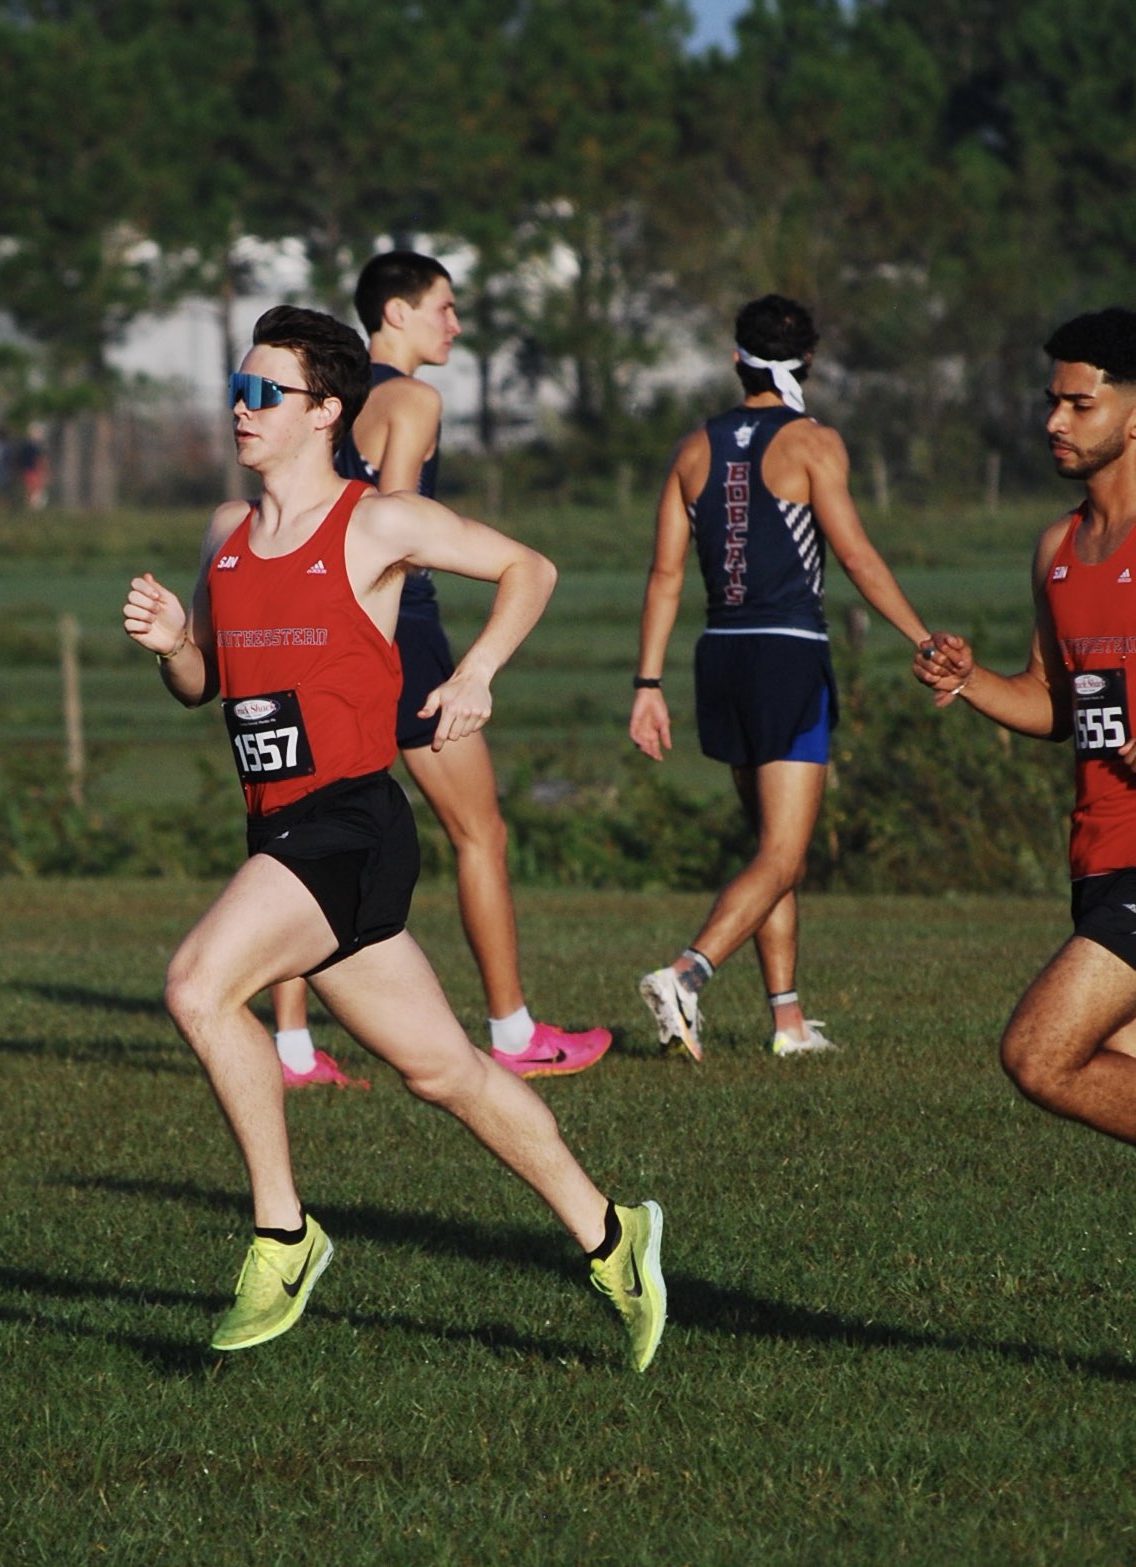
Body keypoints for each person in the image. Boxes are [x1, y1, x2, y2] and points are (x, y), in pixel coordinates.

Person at [120, 305, 665, 1368]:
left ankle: (284, 1232)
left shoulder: (372, 525)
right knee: (445, 1071)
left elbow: (530, 569)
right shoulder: (223, 533)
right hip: (279, 830)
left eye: (264, 393)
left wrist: (472, 674)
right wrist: (172, 643)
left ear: (324, 411)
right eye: (237, 387)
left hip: (351, 825)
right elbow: (203, 688)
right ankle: (613, 1236)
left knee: (196, 985)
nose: (241, 406)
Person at [270, 251, 611, 1089]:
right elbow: (390, 522)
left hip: (311, 626)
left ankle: (291, 1051)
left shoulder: (328, 400)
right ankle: (513, 1031)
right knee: (479, 833)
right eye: (443, 308)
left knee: (296, 832)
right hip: (399, 629)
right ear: (393, 313)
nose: (454, 324)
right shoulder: (413, 399)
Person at [630, 294, 934, 1060]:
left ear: (736, 360)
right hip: (786, 655)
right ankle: (685, 974)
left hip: (718, 657)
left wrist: (646, 685)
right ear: (809, 363)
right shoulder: (812, 442)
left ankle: (788, 1022)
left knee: (770, 847)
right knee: (785, 854)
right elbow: (856, 554)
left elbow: (665, 573)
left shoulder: (692, 447)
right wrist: (922, 637)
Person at [915, 307, 1136, 1143]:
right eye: (1053, 401)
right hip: (1096, 856)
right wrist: (970, 681)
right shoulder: (1054, 548)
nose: (1053, 420)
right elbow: (1055, 701)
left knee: (1039, 1054)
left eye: (1079, 405)